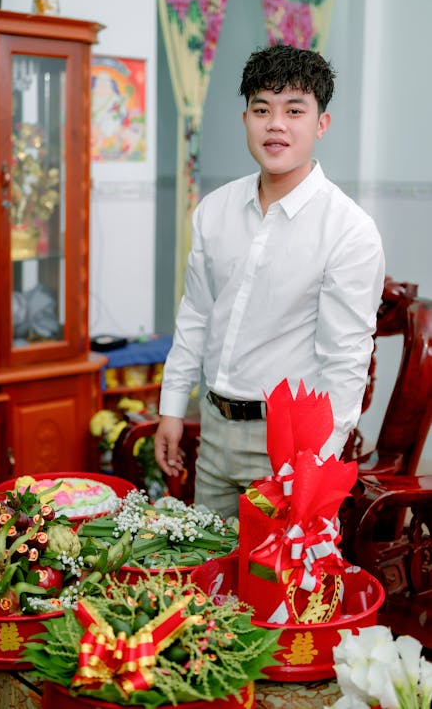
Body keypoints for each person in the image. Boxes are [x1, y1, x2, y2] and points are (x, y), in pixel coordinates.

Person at [154, 44, 385, 519]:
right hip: (214, 430)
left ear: (321, 124)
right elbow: (196, 314)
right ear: (245, 119)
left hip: (290, 447)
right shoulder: (214, 210)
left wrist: (318, 463)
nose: (275, 124)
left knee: (271, 587)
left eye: (294, 110)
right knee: (207, 577)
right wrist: (173, 408)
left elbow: (346, 360)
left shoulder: (348, 229)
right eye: (262, 109)